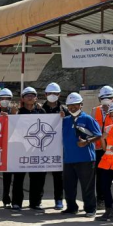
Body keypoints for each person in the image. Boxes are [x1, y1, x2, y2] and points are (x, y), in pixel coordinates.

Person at [61, 92, 101, 218]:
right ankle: (71, 207)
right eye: (70, 105)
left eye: (75, 105)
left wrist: (87, 141)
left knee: (87, 186)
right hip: (68, 158)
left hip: (85, 159)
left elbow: (98, 135)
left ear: (81, 105)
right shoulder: (65, 120)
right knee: (68, 186)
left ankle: (90, 208)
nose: (72, 107)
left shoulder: (88, 118)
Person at [12, 86, 48, 211]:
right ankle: (16, 202)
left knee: (37, 178)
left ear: (36, 98)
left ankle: (36, 202)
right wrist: (13, 115)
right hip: (20, 150)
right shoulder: (18, 112)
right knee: (18, 178)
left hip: (36, 150)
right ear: (22, 98)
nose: (30, 97)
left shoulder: (41, 112)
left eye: (32, 95)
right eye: (27, 95)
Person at [42, 82, 68, 210]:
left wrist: (65, 118)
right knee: (40, 175)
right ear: (45, 94)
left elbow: (71, 125)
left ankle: (59, 200)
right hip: (42, 147)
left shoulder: (65, 110)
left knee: (58, 176)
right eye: (50, 93)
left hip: (58, 148)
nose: (52, 95)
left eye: (55, 93)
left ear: (59, 95)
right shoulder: (40, 109)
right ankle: (37, 200)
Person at [93, 86, 113, 209]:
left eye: (108, 97)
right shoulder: (94, 111)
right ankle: (100, 200)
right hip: (98, 149)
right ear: (99, 99)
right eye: (103, 97)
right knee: (100, 176)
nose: (106, 99)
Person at [0, 88, 17, 208]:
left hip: (12, 148)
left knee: (9, 176)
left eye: (7, 98)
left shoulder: (15, 112)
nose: (4, 100)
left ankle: (7, 198)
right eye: (2, 98)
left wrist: (13, 116)